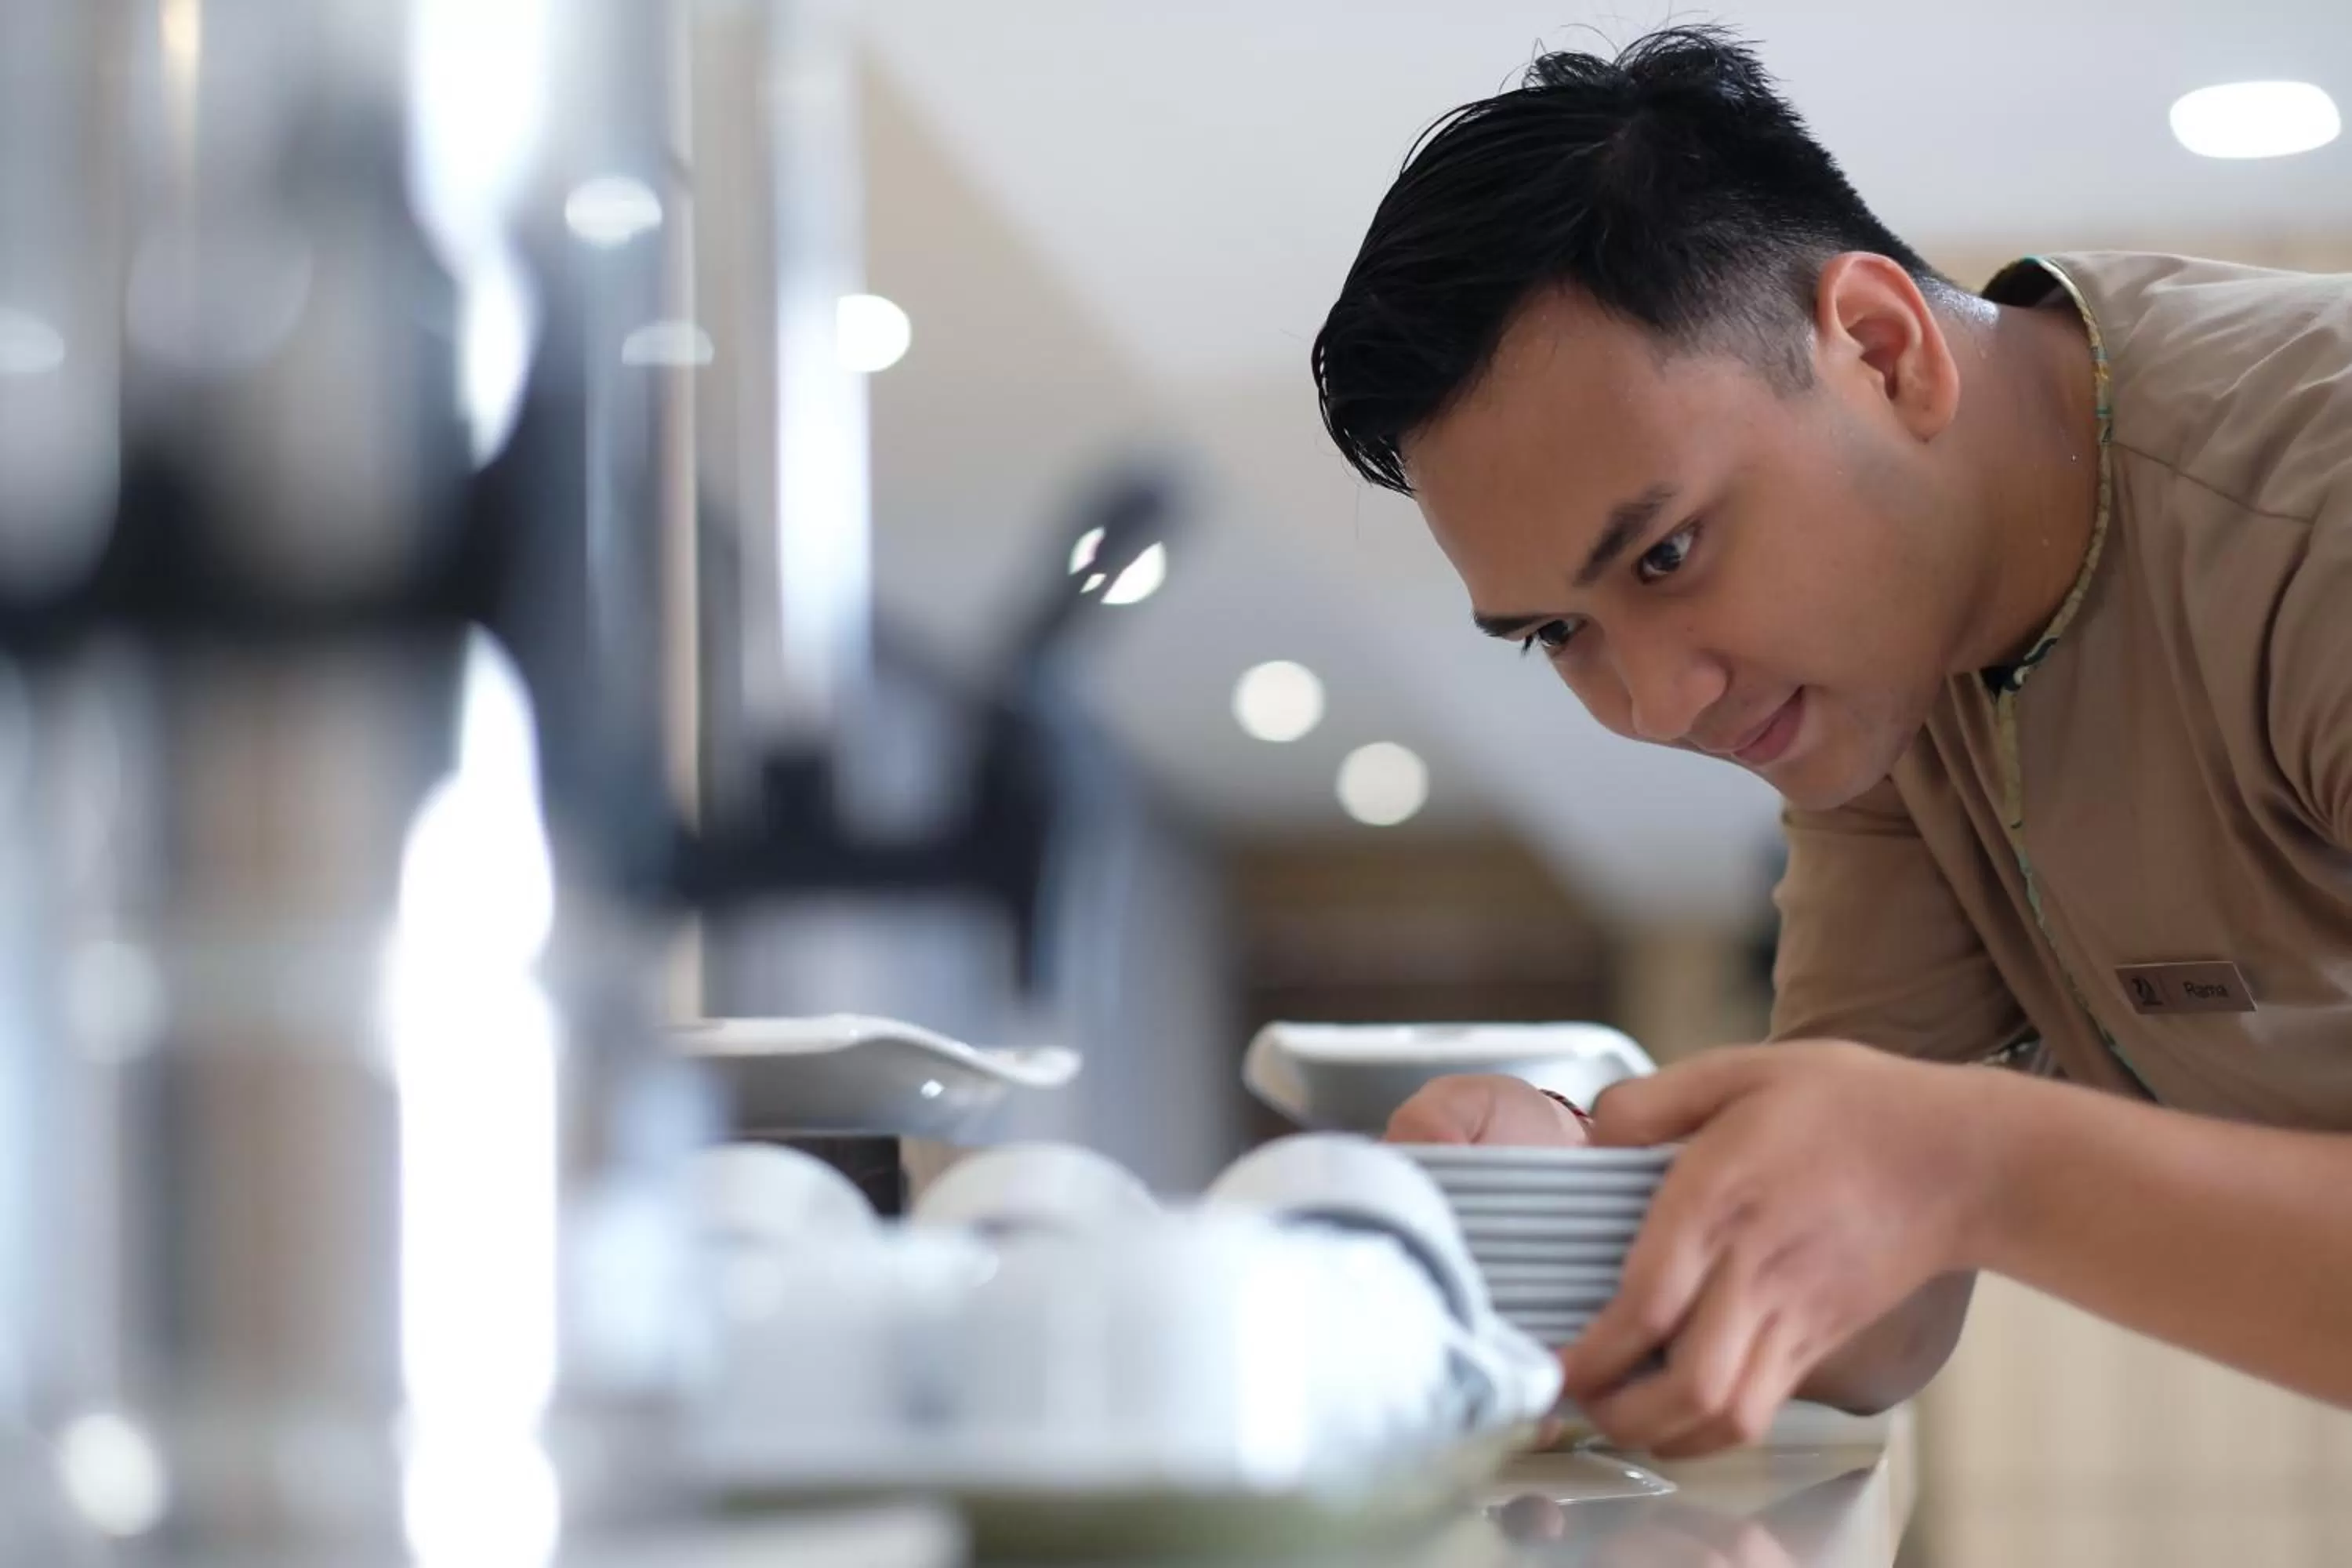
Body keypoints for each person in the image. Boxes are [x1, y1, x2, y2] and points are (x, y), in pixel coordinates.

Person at [1311, 25, 2352, 1459]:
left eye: (1668, 554)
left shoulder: (2320, 513)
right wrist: (1577, 1192)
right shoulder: (1886, 688)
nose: (1656, 705)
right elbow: (1871, 1324)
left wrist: (1969, 1166)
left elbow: (1926, 1189)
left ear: (1879, 349)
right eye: (1561, 633)